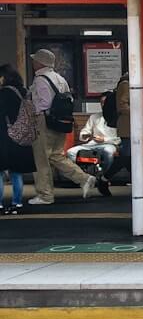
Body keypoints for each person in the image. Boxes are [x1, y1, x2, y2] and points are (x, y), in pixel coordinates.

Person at [28, 48, 97, 204]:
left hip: (44, 122)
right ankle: (84, 178)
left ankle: (45, 195)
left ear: (39, 63)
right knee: (56, 155)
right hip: (61, 122)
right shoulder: (60, 78)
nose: (33, 63)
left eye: (34, 60)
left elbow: (45, 103)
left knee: (41, 159)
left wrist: (34, 111)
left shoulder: (40, 79)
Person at [0, 65, 36, 215]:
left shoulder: (4, 93)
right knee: (17, 173)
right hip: (21, 136)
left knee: (0, 171)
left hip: (5, 136)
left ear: (4, 77)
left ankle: (0, 204)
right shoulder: (24, 91)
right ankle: (17, 202)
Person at [66, 93, 121, 179]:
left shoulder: (118, 118)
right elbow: (85, 131)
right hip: (92, 144)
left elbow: (119, 138)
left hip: (110, 144)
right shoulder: (94, 117)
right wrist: (85, 136)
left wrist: (104, 139)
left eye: (105, 102)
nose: (103, 105)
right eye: (101, 102)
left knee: (108, 152)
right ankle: (82, 177)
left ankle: (103, 177)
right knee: (71, 152)